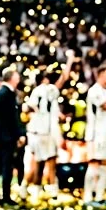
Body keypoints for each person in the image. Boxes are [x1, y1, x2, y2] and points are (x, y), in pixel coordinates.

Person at [23, 63, 70, 202]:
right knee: (50, 162)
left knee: (38, 162)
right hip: (46, 132)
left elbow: (29, 107)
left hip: (36, 132)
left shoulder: (36, 91)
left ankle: (28, 188)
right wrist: (70, 60)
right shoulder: (49, 90)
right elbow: (64, 78)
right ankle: (51, 191)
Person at [82, 64, 106, 206]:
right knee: (94, 163)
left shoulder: (105, 92)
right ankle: (87, 197)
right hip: (95, 133)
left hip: (104, 133)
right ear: (101, 74)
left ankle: (99, 196)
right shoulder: (95, 91)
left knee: (105, 163)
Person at [0, 67, 25, 207]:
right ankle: (5, 196)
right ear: (11, 78)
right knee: (6, 167)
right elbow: (12, 118)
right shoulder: (7, 94)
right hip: (6, 137)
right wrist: (19, 134)